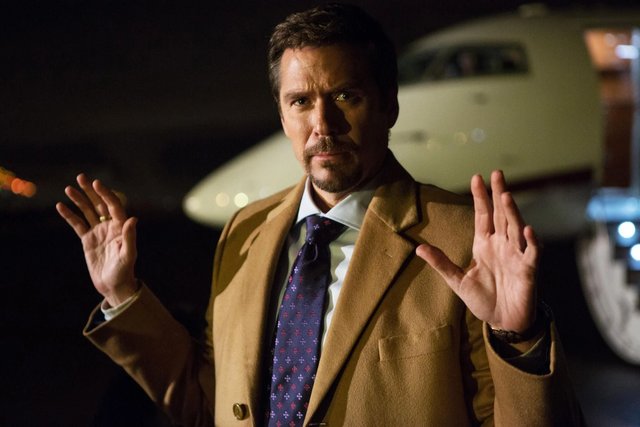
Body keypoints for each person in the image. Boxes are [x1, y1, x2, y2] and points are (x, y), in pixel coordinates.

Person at [57, 3, 583, 426]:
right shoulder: (246, 233)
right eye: (300, 101)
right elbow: (206, 403)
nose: (323, 124)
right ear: (281, 114)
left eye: (345, 96)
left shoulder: (461, 236)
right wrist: (122, 295)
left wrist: (520, 338)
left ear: (389, 105)